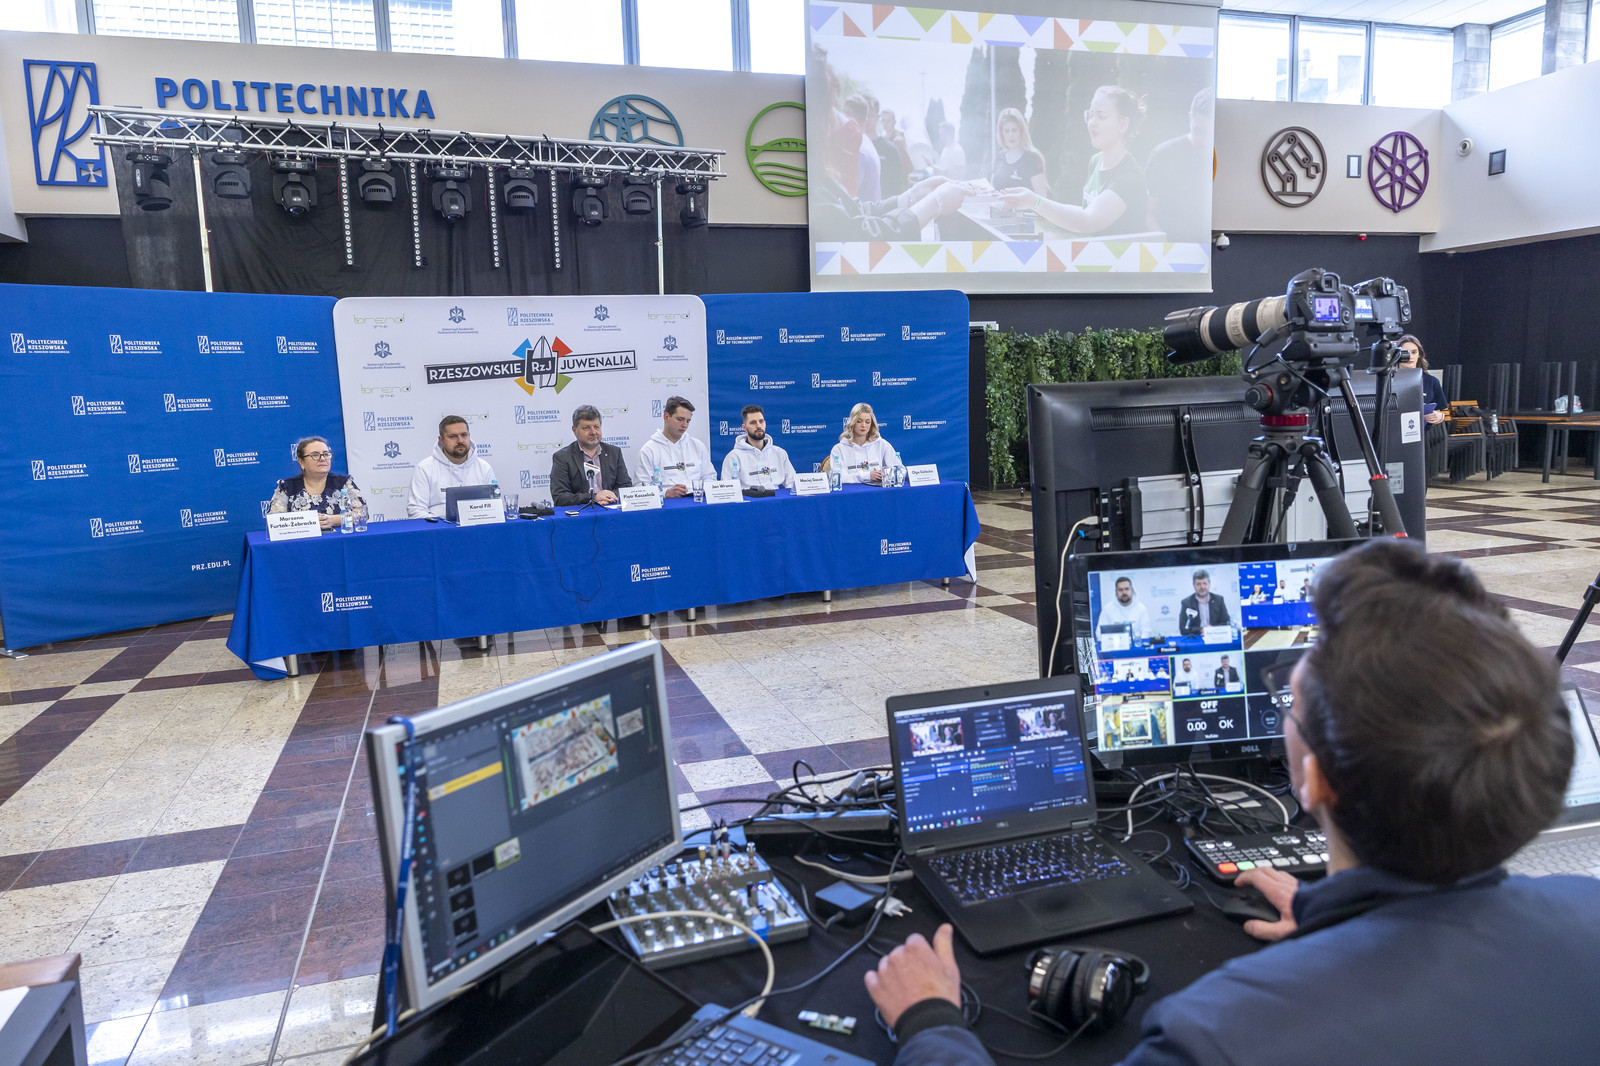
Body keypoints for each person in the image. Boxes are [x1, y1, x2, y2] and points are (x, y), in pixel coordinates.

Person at [863, 539, 1600, 1066]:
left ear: (1315, 782)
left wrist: (930, 1025)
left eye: (1289, 700)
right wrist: (1341, 917)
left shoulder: (1214, 1036)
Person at [998, 85, 1147, 236]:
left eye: (1101, 116)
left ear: (1123, 124)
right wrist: (1034, 202)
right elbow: (1086, 211)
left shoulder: (1129, 177)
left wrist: (1034, 202)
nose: (1092, 122)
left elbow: (1088, 221)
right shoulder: (1096, 161)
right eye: (1090, 115)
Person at [1144, 87, 1213, 242]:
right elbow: (1148, 213)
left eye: (1212, 133)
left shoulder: (1231, 158)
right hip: (1170, 249)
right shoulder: (1162, 155)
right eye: (1199, 131)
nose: (1206, 141)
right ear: (1190, 119)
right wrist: (1167, 249)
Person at [407, 415, 497, 518]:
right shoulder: (425, 468)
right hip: (439, 527)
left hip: (476, 526)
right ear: (441, 440)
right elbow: (415, 510)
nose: (460, 441)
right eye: (453, 436)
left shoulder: (484, 467)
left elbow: (494, 507)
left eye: (464, 435)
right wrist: (442, 526)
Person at [269, 436, 366, 530]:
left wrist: (333, 520)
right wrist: (308, 522)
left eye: (326, 454)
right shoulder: (287, 486)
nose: (322, 458)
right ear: (301, 462)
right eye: (315, 455)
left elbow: (362, 514)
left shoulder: (344, 482)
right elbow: (274, 521)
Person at [550, 404, 631, 506]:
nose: (593, 432)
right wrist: (594, 497)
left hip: (610, 509)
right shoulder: (562, 457)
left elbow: (626, 487)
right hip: (581, 513)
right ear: (574, 430)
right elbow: (560, 497)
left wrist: (609, 497)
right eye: (586, 428)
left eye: (596, 427)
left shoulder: (614, 453)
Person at [635, 396, 713, 498]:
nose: (684, 425)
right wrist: (665, 493)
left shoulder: (698, 446)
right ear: (666, 417)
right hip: (666, 504)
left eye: (688, 421)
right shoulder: (649, 450)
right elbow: (640, 489)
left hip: (696, 501)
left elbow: (710, 477)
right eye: (680, 419)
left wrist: (702, 489)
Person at [722, 405, 795, 491]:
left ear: (765, 424)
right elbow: (728, 489)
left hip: (776, 498)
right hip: (748, 499)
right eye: (753, 422)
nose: (759, 426)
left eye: (761, 421)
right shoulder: (734, 457)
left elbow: (792, 483)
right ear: (744, 427)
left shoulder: (779, 453)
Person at [828, 402, 898, 484]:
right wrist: (867, 476)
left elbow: (900, 471)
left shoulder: (882, 444)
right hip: (851, 491)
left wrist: (885, 474)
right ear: (852, 422)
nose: (864, 425)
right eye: (859, 421)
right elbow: (837, 478)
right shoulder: (838, 449)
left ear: (872, 424)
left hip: (877, 490)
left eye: (867, 422)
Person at [990, 108, 1047, 197]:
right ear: (1001, 133)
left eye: (1014, 130)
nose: (1010, 135)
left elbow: (1041, 198)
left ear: (1021, 131)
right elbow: (992, 191)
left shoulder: (1033, 158)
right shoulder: (999, 158)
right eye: (1006, 131)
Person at [1398, 334, 1448, 425]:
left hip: (1422, 431)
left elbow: (1440, 411)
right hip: (1391, 431)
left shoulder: (1431, 382)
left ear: (1419, 355)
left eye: (1414, 352)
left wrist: (1439, 416)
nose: (1410, 356)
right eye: (1405, 352)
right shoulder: (1386, 380)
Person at [1096, 576, 1150, 641]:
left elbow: (1146, 633)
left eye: (1127, 589)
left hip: (1136, 646)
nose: (1124, 592)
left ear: (1132, 590)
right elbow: (1099, 633)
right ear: (1116, 591)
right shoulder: (1107, 609)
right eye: (1120, 590)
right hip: (1114, 646)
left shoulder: (1142, 609)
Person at [1179, 568, 1230, 635]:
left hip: (1215, 636)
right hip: (1197, 638)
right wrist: (1201, 630)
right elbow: (1183, 629)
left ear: (1209, 584)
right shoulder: (1186, 603)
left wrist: (1212, 629)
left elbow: (1226, 622)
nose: (1202, 587)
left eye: (1205, 583)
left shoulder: (1219, 600)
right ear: (1194, 585)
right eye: (1198, 584)